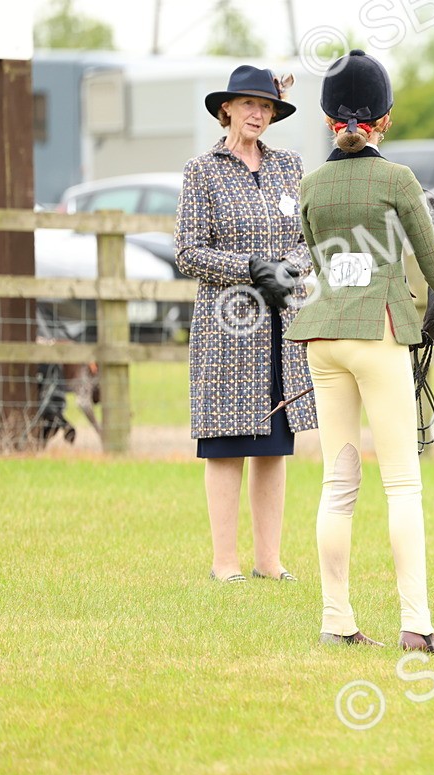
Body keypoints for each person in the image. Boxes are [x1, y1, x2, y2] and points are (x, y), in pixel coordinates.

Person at [285, 49, 434, 650]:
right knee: (401, 483)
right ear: (385, 119)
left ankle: (335, 621)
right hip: (378, 334)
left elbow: (318, 258)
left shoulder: (312, 184)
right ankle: (417, 626)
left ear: (329, 120)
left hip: (323, 337)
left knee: (337, 485)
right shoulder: (398, 181)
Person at [175, 65, 317, 584]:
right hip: (228, 330)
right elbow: (188, 250)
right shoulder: (201, 170)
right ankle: (224, 563)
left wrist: (290, 269)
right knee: (228, 445)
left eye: (267, 106)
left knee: (274, 446)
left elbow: (310, 237)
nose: (258, 113)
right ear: (226, 109)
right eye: (248, 105)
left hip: (282, 326)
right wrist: (251, 269)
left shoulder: (289, 167)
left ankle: (269, 561)